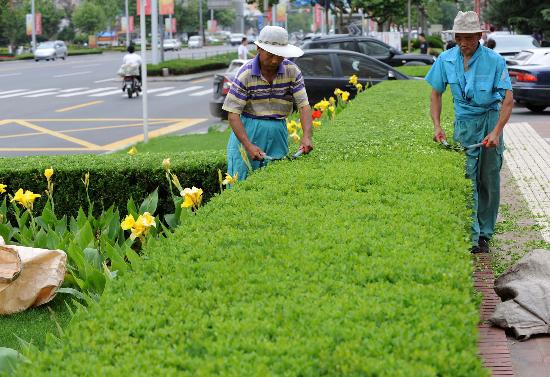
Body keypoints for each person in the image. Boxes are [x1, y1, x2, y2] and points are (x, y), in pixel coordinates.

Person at [425, 11, 514, 254]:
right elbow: (435, 93)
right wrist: (437, 125)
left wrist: (496, 132)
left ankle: (484, 234)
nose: (464, 43)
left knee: (488, 179)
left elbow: (508, 100)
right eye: (459, 38)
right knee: (467, 179)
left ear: (479, 35)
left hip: (489, 122)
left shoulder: (494, 61)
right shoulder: (445, 59)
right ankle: (471, 234)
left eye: (469, 38)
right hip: (464, 125)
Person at [222, 25, 313, 181]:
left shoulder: (292, 71)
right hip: (248, 130)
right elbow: (233, 115)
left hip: (278, 132)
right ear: (258, 48)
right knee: (243, 180)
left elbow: (304, 106)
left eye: (280, 55)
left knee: (276, 181)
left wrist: (307, 136)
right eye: (271, 55)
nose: (275, 60)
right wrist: (248, 145)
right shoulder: (245, 73)